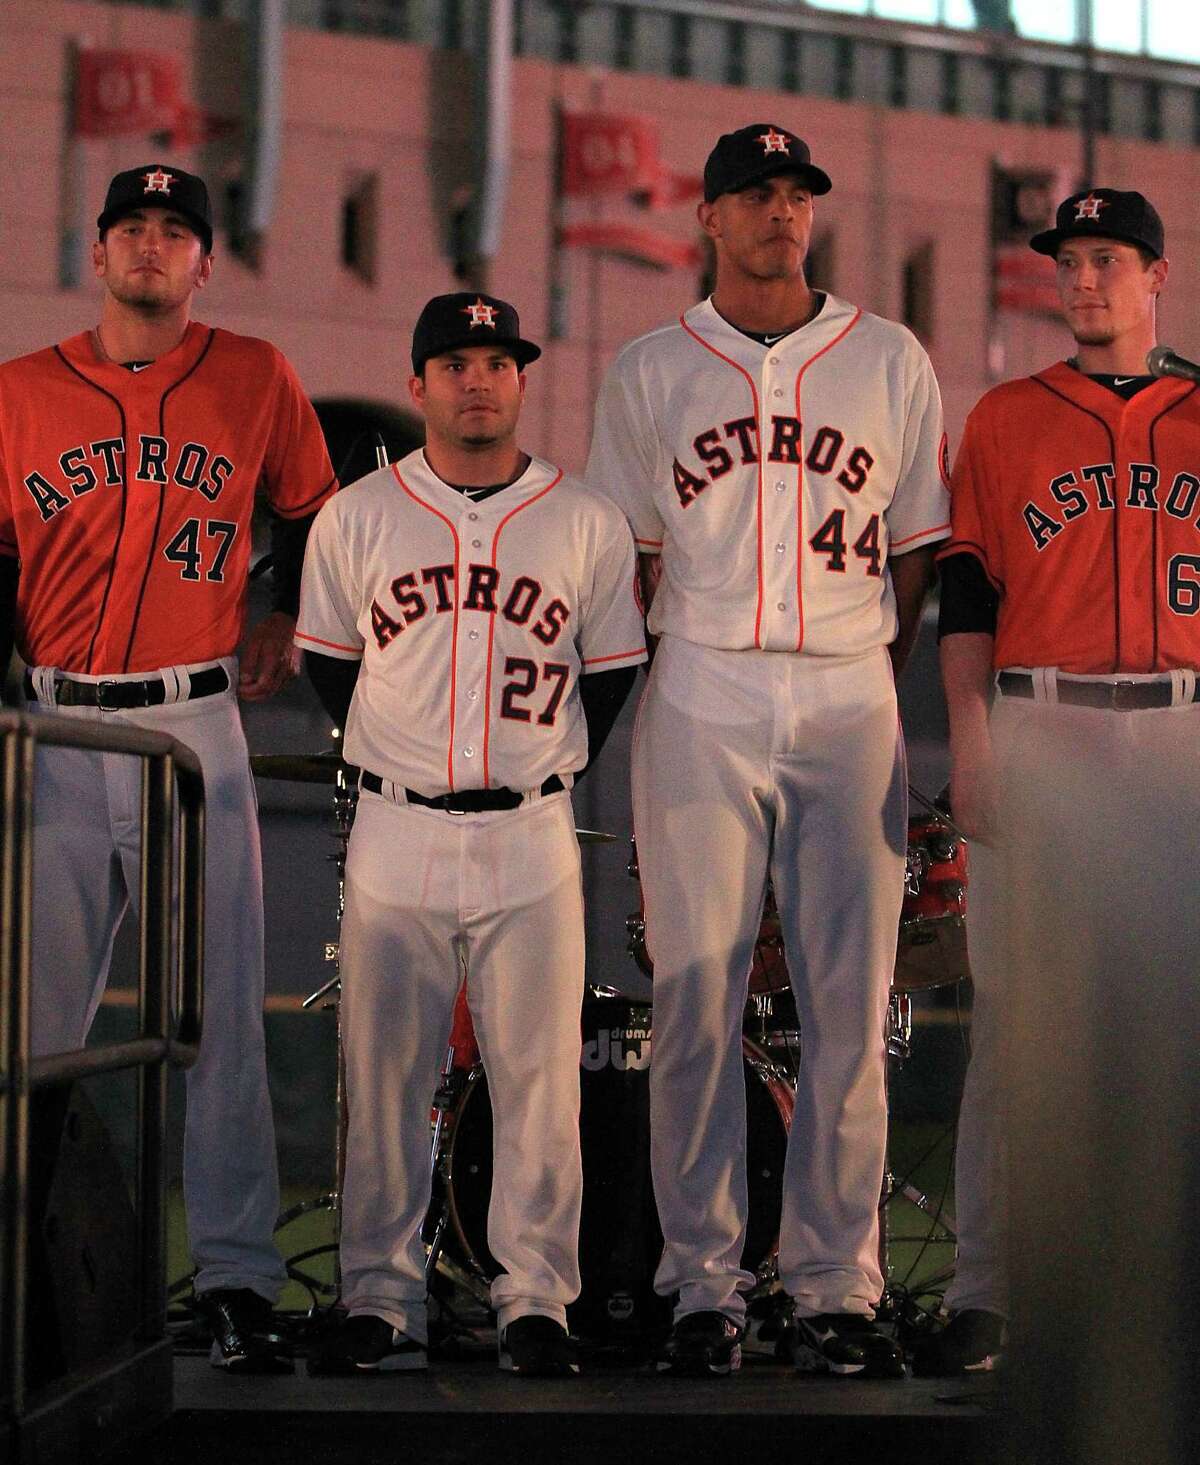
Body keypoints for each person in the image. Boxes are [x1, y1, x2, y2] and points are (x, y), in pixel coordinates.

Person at [585, 123, 950, 1377]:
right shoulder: (647, 369)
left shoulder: (892, 358)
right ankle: (702, 1282)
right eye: (756, 193)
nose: (782, 211)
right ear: (709, 216)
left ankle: (835, 1282)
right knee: (696, 991)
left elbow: (919, 552)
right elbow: (628, 559)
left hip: (850, 684)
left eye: (797, 193)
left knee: (850, 1002)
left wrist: (871, 680)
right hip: (701, 678)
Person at [0, 164, 336, 1372]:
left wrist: (281, 605)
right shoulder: (19, 393)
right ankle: (16, 1269)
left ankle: (241, 1277)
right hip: (53, 725)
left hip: (195, 721)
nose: (151, 246)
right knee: (33, 1027)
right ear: (98, 253)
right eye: (131, 227)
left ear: (206, 263)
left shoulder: (254, 377)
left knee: (219, 1022)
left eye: (174, 231)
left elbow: (319, 517)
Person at [296, 292, 645, 1377]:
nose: (477, 379)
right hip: (396, 821)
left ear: (522, 380)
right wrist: (395, 749)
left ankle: (537, 1298)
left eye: (497, 360)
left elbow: (614, 671)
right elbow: (327, 664)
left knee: (540, 1077)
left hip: (533, 825)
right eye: (455, 362)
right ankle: (380, 1295)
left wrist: (533, 762)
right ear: (418, 384)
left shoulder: (583, 518)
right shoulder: (357, 515)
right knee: (384, 1072)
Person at [924, 189, 1200, 1395]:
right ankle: (985, 1288)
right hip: (1042, 722)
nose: (1083, 279)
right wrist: (971, 741)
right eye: (1069, 260)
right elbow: (968, 595)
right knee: (1017, 1025)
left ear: (1156, 277)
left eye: (1107, 259)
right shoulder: (1003, 417)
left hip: (1188, 728)